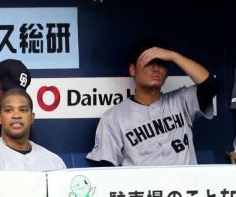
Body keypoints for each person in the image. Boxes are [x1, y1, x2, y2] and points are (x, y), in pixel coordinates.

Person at [88, 39, 217, 166]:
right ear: (133, 70)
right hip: (143, 187)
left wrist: (173, 56)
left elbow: (210, 85)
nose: (156, 68)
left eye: (162, 64)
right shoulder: (113, 118)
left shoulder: (181, 101)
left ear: (167, 73)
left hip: (186, 186)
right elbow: (105, 168)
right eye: (149, 62)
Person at [0, 89, 66, 172]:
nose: (16, 115)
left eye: (23, 110)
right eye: (8, 110)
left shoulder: (54, 162)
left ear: (32, 117)